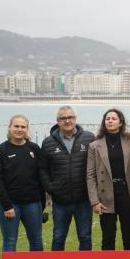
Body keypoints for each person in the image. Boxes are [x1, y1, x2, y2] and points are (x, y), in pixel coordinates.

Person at [39, 105, 95, 251]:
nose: (67, 121)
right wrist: (50, 187)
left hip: (83, 199)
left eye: (70, 117)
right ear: (57, 121)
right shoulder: (48, 143)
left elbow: (96, 165)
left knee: (85, 237)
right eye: (63, 118)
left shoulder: (89, 138)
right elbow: (43, 169)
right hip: (60, 200)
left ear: (75, 119)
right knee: (58, 237)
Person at [0, 114, 45, 252]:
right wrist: (7, 206)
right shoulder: (0, 151)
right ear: (9, 128)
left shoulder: (34, 149)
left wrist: (41, 204)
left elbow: (41, 177)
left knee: (36, 241)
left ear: (27, 129)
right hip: (9, 205)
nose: (19, 129)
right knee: (10, 242)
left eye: (23, 127)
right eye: (16, 126)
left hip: (33, 204)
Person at [87, 108, 130, 251]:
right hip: (105, 194)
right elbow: (90, 174)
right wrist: (94, 201)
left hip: (127, 193)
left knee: (129, 236)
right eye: (107, 119)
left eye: (114, 119)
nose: (110, 121)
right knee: (108, 237)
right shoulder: (95, 145)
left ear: (120, 122)